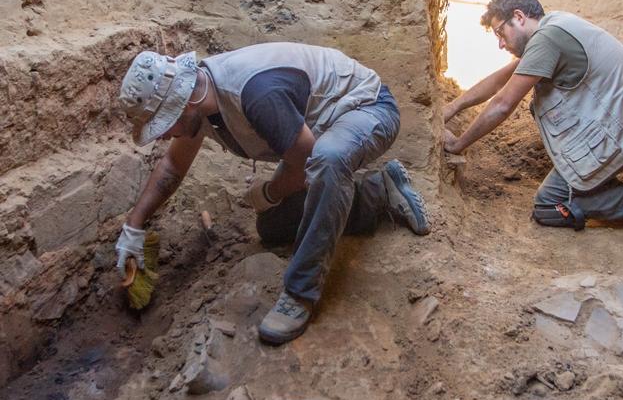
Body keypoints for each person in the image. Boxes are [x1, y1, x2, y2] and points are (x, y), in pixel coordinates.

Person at [115, 43, 429, 345]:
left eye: (165, 124)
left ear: (183, 102)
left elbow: (307, 164)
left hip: (368, 108)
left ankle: (300, 293)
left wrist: (268, 192)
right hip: (318, 132)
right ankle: (381, 191)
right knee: (272, 226)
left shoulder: (254, 95)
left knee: (329, 160)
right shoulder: (201, 102)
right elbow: (172, 166)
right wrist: (134, 225)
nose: (167, 134)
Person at [443, 0, 623, 237]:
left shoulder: (547, 39)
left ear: (518, 17)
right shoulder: (553, 28)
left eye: (500, 33)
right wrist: (452, 108)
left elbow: (503, 104)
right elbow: (499, 81)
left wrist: (458, 145)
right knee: (571, 186)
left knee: (549, 205)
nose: (501, 43)